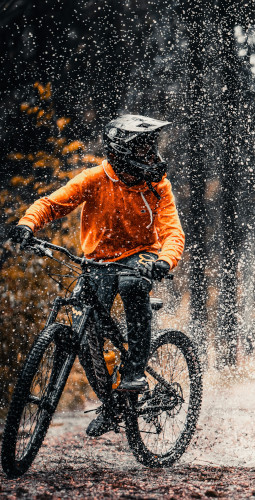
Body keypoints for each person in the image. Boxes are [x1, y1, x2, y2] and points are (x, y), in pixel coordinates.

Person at [10, 114, 185, 437]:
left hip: (141, 255)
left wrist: (164, 261)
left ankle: (134, 374)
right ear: (122, 151)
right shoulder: (94, 178)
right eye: (144, 149)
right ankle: (111, 403)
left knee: (133, 283)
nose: (152, 156)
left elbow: (173, 232)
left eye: (152, 149)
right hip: (98, 261)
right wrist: (27, 224)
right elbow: (52, 204)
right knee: (84, 329)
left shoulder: (157, 186)